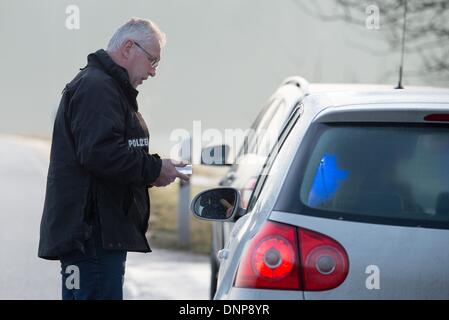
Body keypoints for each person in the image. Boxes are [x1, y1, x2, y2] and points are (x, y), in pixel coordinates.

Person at [37, 17, 189, 300]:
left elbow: (107, 153)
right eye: (153, 61)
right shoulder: (98, 87)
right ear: (129, 48)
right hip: (92, 238)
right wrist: (155, 168)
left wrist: (152, 171)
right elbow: (101, 154)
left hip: (92, 237)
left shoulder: (105, 86)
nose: (154, 72)